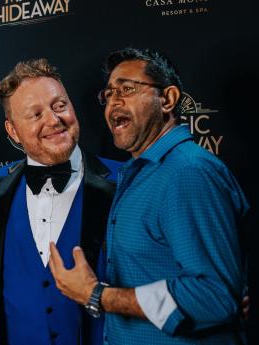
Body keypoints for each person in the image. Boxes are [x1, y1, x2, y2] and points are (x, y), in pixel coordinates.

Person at [48, 48, 249, 345]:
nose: (113, 102)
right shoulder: (138, 173)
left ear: (167, 100)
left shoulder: (187, 173)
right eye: (109, 94)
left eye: (127, 89)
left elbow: (214, 296)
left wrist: (96, 294)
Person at [0, 58, 121, 345]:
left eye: (59, 106)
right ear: (13, 131)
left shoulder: (124, 180)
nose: (53, 120)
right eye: (35, 114)